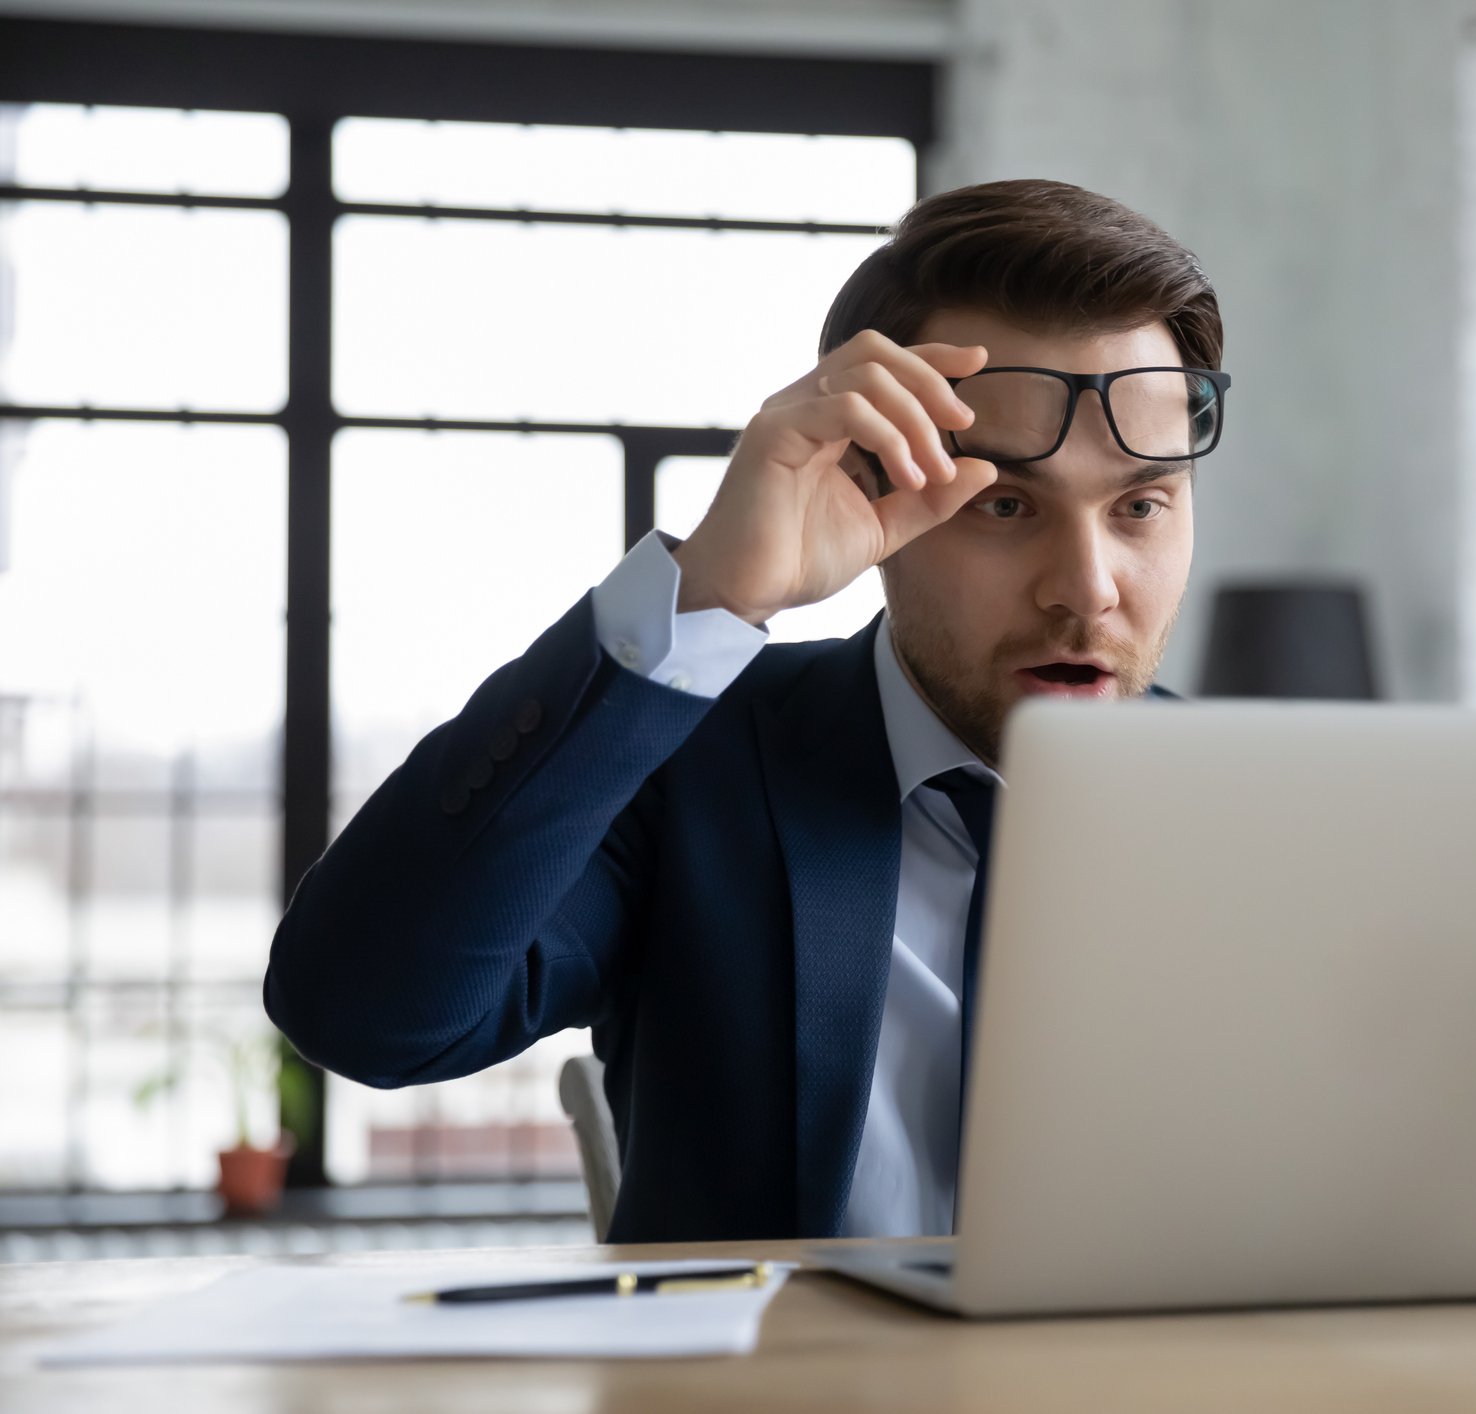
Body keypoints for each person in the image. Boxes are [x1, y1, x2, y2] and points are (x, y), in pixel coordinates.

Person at [264, 178, 1228, 1242]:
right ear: (877, 492)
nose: (1087, 587)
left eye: (1140, 504)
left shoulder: (1272, 821)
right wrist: (714, 593)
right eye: (1004, 505)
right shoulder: (684, 758)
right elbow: (366, 1014)